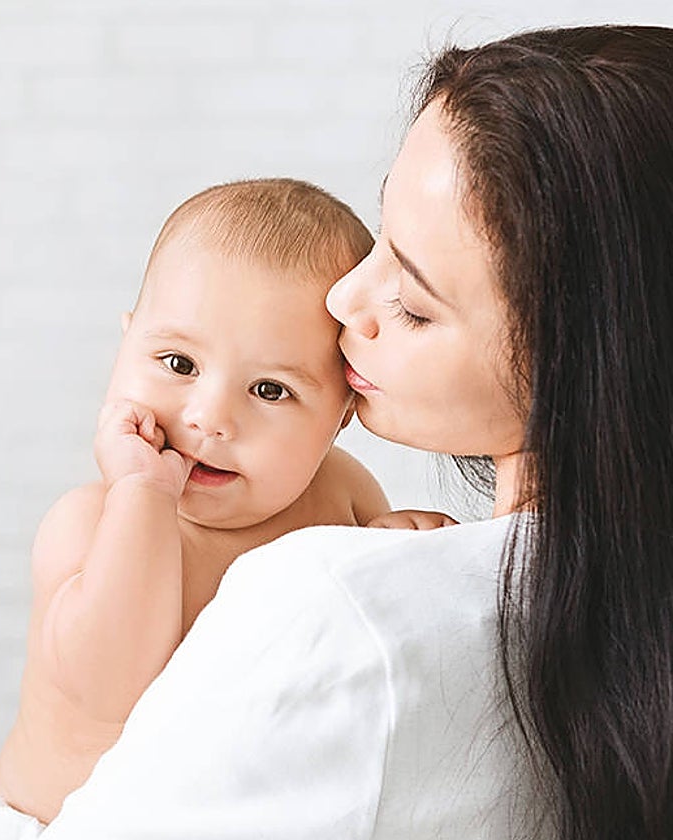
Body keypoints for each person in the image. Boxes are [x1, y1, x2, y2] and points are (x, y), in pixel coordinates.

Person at [33, 24, 673, 840]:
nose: (341, 301)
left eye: (411, 301)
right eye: (381, 242)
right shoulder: (615, 624)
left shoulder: (339, 606)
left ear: (587, 366)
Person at [0, 178, 452, 838]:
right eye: (178, 362)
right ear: (126, 346)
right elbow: (113, 685)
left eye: (270, 389)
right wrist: (143, 497)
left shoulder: (340, 494)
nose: (209, 417)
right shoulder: (90, 525)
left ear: (341, 414)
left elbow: (350, 647)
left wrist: (396, 550)